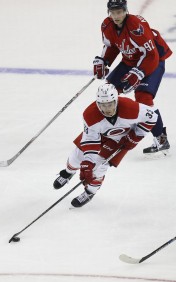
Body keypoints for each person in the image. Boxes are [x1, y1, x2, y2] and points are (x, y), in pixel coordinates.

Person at [53, 83, 158, 208]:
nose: (107, 109)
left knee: (99, 167)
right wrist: (88, 163)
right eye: (103, 105)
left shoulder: (131, 108)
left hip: (121, 139)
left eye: (110, 104)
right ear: (98, 103)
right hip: (99, 135)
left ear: (116, 101)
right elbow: (91, 140)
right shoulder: (90, 114)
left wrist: (136, 136)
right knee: (76, 157)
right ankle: (69, 172)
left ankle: (89, 192)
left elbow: (152, 117)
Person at [93, 0, 172, 156]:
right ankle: (107, 132)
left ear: (125, 11)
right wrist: (104, 61)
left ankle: (161, 138)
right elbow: (112, 46)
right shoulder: (107, 26)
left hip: (153, 60)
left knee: (144, 97)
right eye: (113, 12)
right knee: (108, 92)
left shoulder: (136, 26)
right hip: (130, 61)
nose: (116, 16)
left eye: (119, 12)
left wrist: (139, 73)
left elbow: (151, 55)